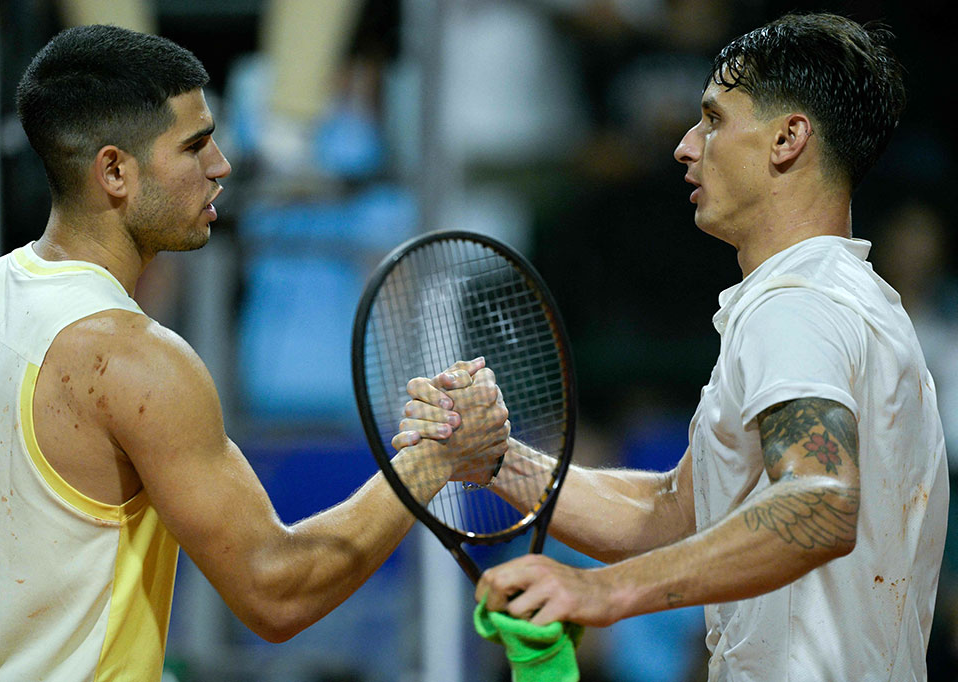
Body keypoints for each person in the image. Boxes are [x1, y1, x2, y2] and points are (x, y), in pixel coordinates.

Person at [0, 25, 509, 682]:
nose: (221, 166)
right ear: (115, 171)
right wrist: (430, 460)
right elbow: (277, 592)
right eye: (195, 145)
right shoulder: (137, 361)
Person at [400, 12, 948, 680]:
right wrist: (495, 460)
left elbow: (821, 501)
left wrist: (603, 590)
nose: (686, 146)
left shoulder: (798, 307)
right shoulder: (847, 299)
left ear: (787, 138)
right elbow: (673, 514)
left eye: (714, 120)